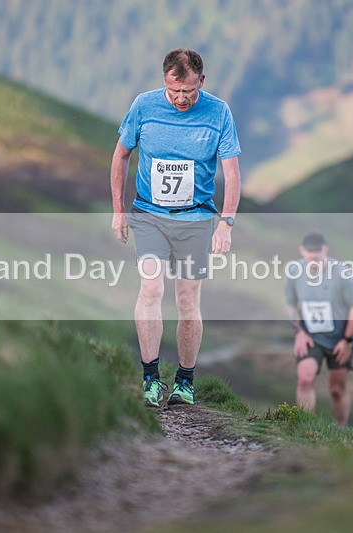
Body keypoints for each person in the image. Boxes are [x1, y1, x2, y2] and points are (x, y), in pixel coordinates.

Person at [110, 48, 242, 407]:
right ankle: (150, 379)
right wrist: (118, 210)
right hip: (150, 214)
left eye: (188, 91)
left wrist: (226, 223)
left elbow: (231, 173)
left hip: (196, 218)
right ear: (164, 81)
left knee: (186, 300)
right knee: (151, 289)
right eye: (174, 91)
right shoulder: (144, 106)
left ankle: (185, 381)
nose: (181, 98)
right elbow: (121, 155)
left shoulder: (218, 112)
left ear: (202, 81)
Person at [284, 232, 353, 425]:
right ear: (302, 251)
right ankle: (305, 428)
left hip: (340, 337)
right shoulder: (294, 271)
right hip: (310, 335)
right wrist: (299, 333)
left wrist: (347, 340)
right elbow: (290, 304)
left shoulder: (341, 273)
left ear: (325, 250)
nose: (314, 257)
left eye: (317, 253)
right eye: (309, 253)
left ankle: (340, 431)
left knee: (337, 389)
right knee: (305, 378)